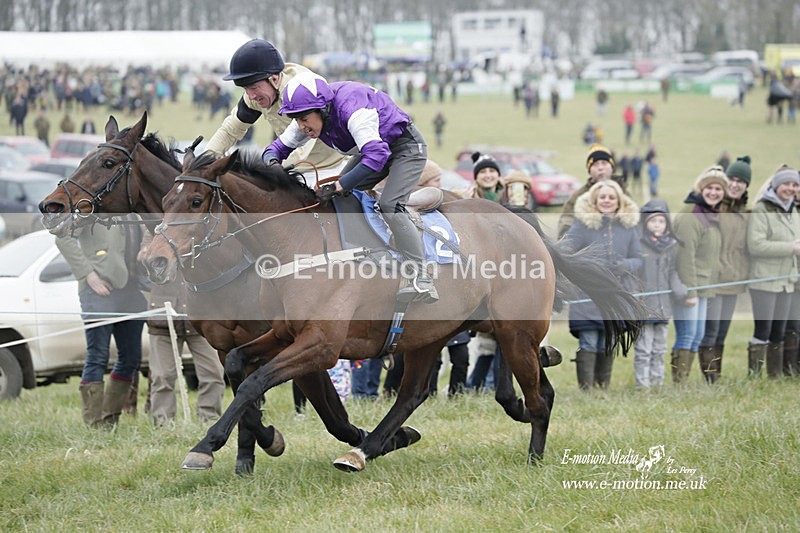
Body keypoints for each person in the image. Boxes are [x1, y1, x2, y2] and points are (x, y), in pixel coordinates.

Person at [262, 72, 437, 303]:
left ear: (323, 109)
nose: (301, 126)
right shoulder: (310, 113)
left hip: (405, 148)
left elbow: (376, 156)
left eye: (303, 118)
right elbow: (273, 149)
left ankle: (422, 275)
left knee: (389, 205)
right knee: (336, 198)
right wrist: (273, 165)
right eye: (296, 120)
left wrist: (340, 184)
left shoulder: (352, 108)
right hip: (375, 151)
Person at [206, 39, 346, 177]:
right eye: (245, 89)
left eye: (253, 88)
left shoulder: (302, 91)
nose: (250, 96)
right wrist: (204, 162)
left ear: (274, 79)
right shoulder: (258, 93)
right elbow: (230, 131)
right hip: (293, 168)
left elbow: (301, 148)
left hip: (330, 169)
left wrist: (266, 171)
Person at [56, 220, 147, 428]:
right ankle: (93, 423)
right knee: (98, 356)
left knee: (131, 358)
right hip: (97, 292)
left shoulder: (132, 207)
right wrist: (89, 275)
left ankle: (109, 421)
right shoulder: (90, 206)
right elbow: (62, 237)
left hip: (133, 291)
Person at [561, 180, 642, 389]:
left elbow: (639, 258)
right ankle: (587, 389)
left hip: (614, 295)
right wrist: (587, 266)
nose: (607, 201)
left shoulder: (628, 228)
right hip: (587, 294)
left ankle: (602, 386)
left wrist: (624, 264)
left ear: (619, 201)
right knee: (588, 341)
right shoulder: (582, 226)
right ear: (594, 201)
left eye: (611, 197)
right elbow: (566, 251)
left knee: (607, 341)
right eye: (602, 197)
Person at [137, 233, 225, 426]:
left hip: (200, 318)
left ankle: (209, 420)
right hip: (163, 318)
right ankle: (164, 425)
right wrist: (158, 253)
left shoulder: (197, 229)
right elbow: (143, 255)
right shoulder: (154, 229)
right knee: (162, 377)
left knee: (213, 373)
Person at [698, 156, 752, 383]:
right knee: (710, 332)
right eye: (732, 178)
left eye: (742, 180)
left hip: (734, 280)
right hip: (714, 280)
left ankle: (716, 374)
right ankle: (710, 378)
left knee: (722, 332)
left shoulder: (746, 214)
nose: (736, 184)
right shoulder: (713, 209)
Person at [671, 166, 726, 383]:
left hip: (704, 285)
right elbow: (685, 257)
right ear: (701, 188)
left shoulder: (710, 214)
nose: (714, 192)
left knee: (697, 336)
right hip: (690, 287)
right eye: (710, 187)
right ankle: (679, 382)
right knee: (687, 334)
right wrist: (690, 290)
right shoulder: (691, 215)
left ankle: (683, 379)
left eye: (718, 189)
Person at [746, 166, 800, 378]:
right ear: (776, 185)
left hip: (787, 280)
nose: (790, 188)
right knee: (763, 331)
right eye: (786, 184)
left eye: (794, 185)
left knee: (779, 332)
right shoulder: (761, 209)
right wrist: (791, 248)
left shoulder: (793, 211)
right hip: (764, 281)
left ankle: (774, 376)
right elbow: (756, 245)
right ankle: (754, 376)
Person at [634, 200, 686, 389]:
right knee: (643, 350)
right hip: (644, 308)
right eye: (653, 221)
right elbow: (633, 274)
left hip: (664, 307)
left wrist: (679, 287)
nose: (657, 225)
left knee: (659, 349)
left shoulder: (670, 246)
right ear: (645, 223)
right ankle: (643, 386)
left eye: (661, 222)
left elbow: (672, 271)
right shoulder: (639, 245)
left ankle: (657, 384)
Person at [557, 144, 625, 239]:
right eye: (595, 164)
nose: (600, 168)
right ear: (590, 170)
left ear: (612, 167)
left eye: (604, 163)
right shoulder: (578, 196)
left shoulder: (623, 193)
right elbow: (566, 223)